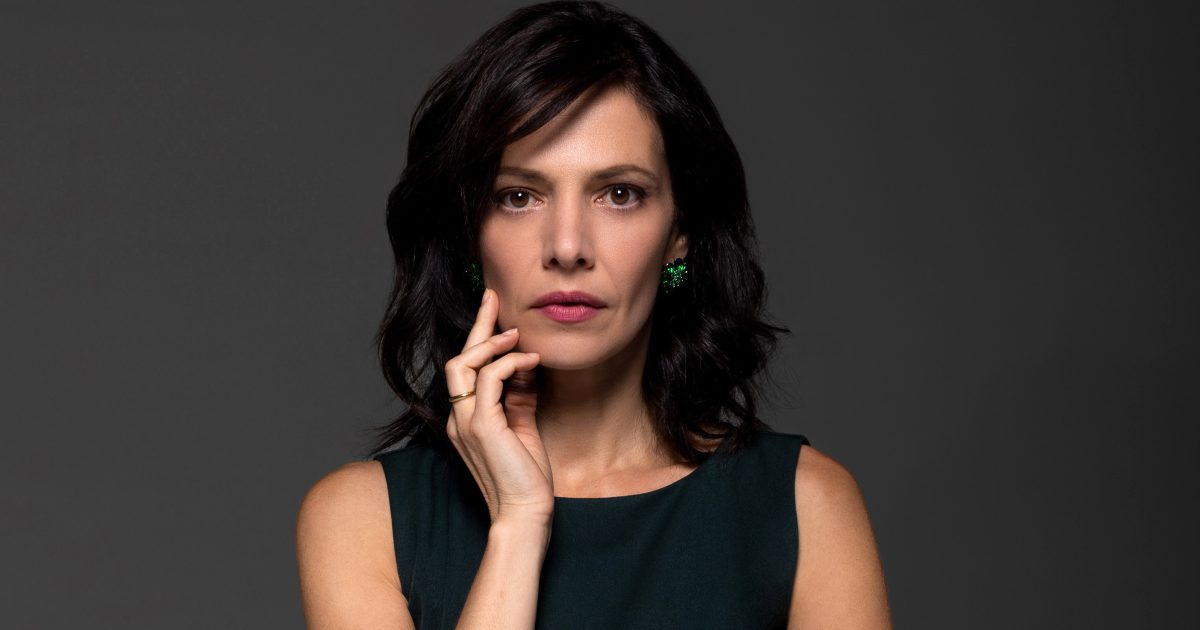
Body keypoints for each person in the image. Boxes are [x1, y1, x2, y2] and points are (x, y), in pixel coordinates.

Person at [295, 1, 891, 628]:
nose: (568, 247)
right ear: (469, 233)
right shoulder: (362, 519)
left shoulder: (805, 506)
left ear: (679, 233)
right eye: (518, 196)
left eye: (619, 194)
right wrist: (519, 523)